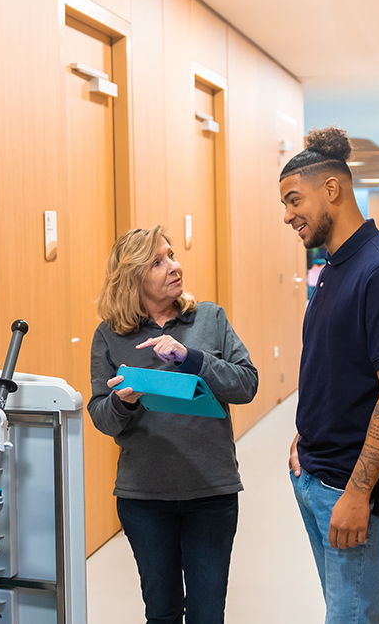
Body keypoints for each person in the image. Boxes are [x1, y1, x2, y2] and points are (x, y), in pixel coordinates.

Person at [279, 126, 379, 623]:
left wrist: (358, 492)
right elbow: (334, 364)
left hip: (352, 494)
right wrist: (306, 435)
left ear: (332, 189)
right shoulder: (334, 268)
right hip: (317, 477)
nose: (287, 215)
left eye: (294, 199)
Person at [88, 225, 258, 624]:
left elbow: (246, 384)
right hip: (144, 497)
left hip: (211, 491)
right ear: (133, 278)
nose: (174, 266)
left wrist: (191, 358)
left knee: (206, 613)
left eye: (173, 255)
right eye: (158, 262)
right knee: (161, 612)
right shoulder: (110, 336)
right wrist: (122, 400)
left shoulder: (210, 318)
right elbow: (101, 417)